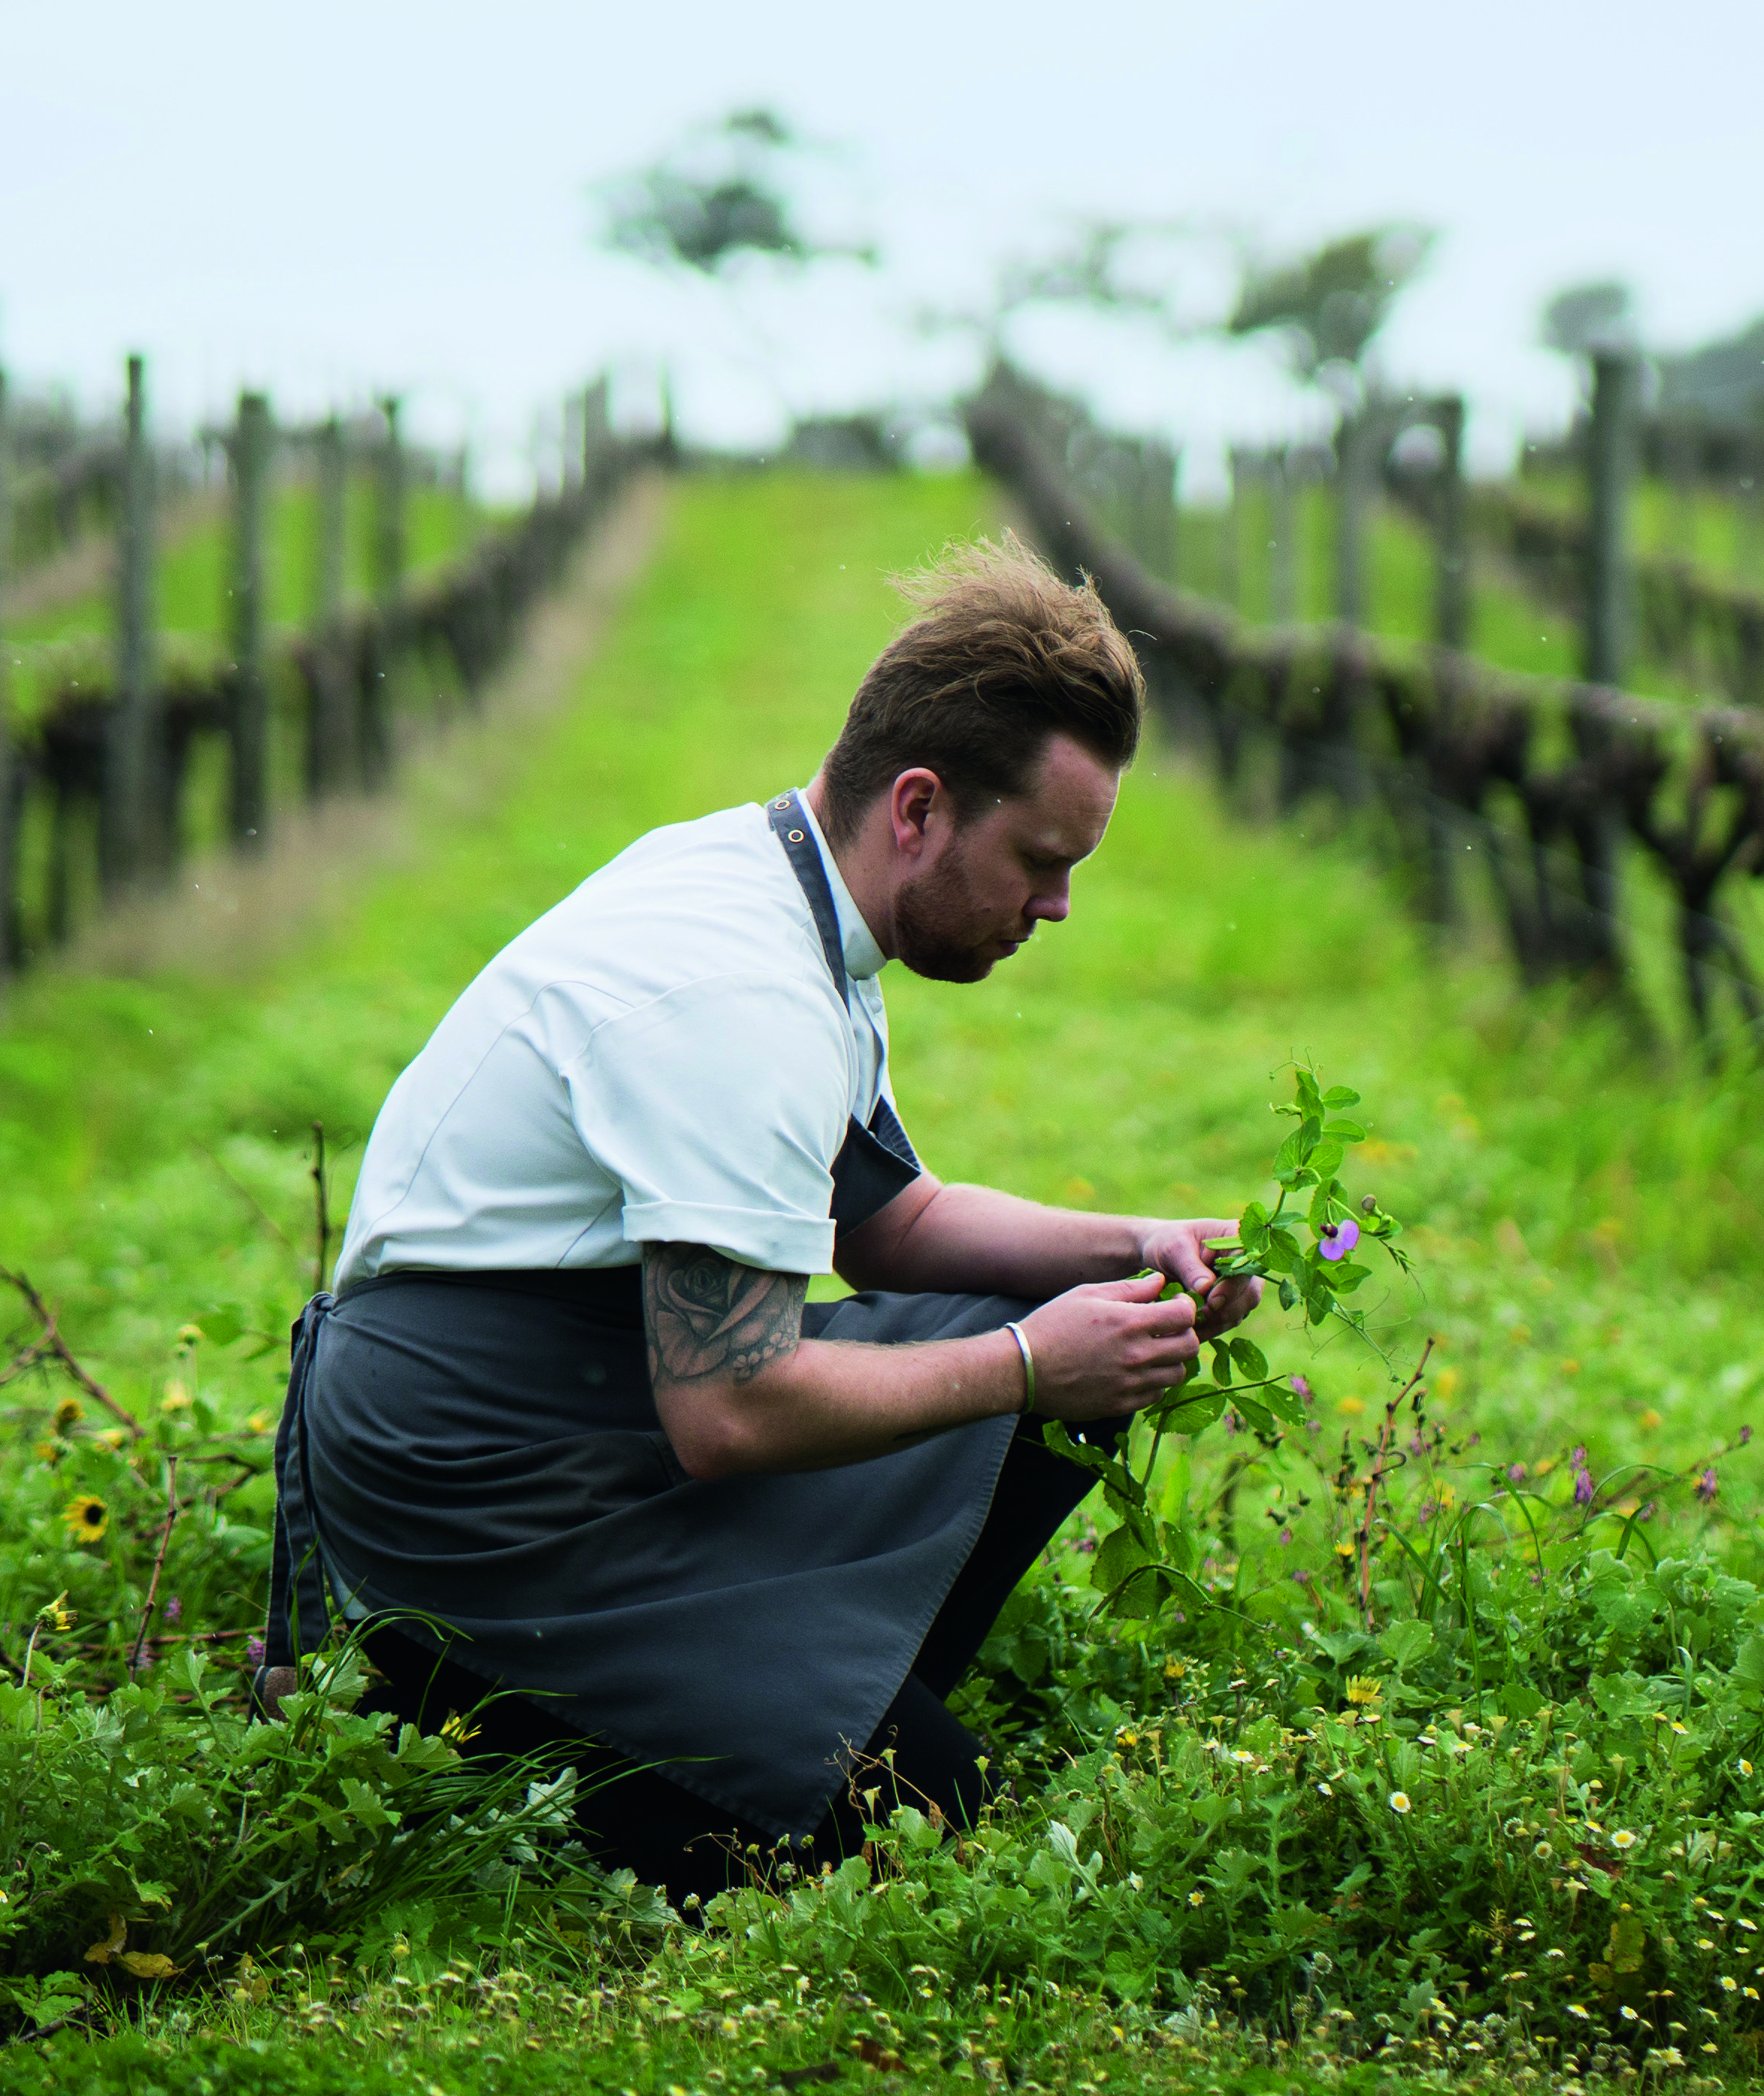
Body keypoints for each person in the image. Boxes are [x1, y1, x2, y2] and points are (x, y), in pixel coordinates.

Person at [252, 534, 1261, 1897]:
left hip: (583, 1398)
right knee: (920, 1810)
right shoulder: (737, 996)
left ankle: (796, 1689)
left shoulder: (792, 894)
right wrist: (1034, 1366)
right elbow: (727, 1412)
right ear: (919, 809)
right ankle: (450, 1691)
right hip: (474, 1472)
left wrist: (1138, 1247)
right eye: (1038, 858)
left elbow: (894, 1224)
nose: (1057, 905)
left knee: (1049, 1326)